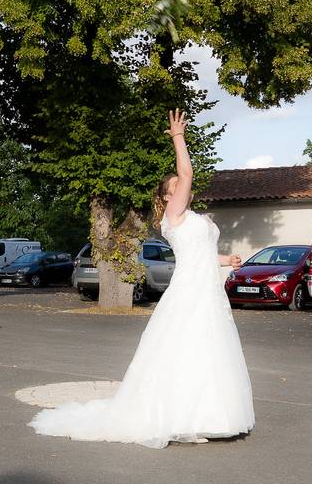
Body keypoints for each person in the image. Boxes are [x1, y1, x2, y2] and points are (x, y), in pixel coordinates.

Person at [29, 109, 255, 448]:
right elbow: (187, 172)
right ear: (167, 197)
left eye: (181, 186)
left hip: (208, 290)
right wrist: (178, 138)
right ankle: (177, 417)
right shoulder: (174, 216)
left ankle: (207, 416)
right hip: (189, 291)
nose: (182, 187)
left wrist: (226, 259)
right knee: (185, 348)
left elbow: (200, 253)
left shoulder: (195, 218)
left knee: (207, 350)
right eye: (175, 187)